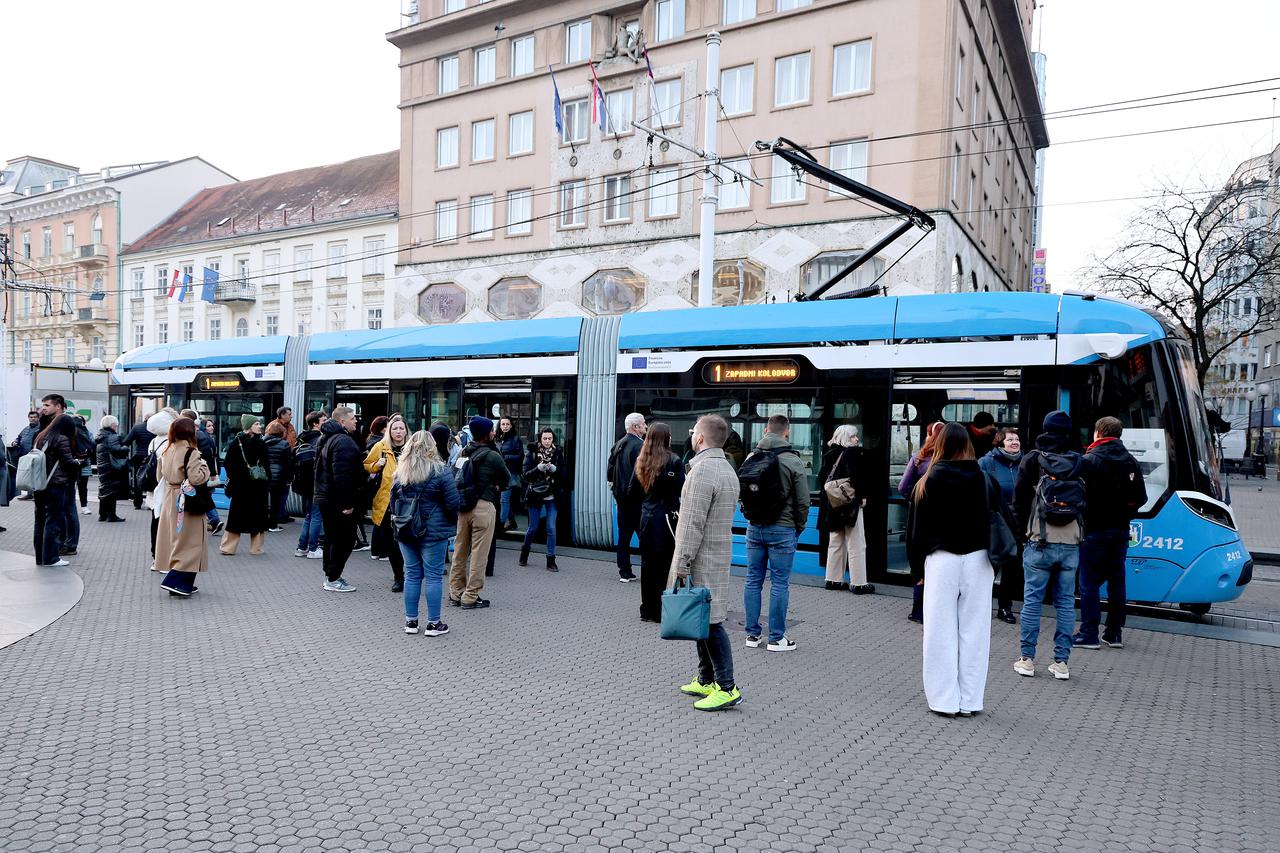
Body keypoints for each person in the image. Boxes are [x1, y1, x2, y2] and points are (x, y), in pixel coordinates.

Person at [906, 422, 998, 717]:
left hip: (941, 560)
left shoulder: (929, 480)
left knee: (939, 631)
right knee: (975, 632)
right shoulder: (984, 478)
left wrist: (918, 568)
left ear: (940, 444)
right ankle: (971, 700)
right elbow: (1001, 519)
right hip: (979, 560)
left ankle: (944, 700)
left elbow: (916, 531)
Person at [670, 415, 742, 711]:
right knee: (703, 618)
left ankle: (727, 687)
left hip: (701, 558)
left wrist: (681, 565)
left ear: (699, 438)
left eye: (692, 432)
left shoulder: (701, 472)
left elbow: (690, 526)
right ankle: (706, 679)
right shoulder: (726, 467)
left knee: (711, 623)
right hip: (718, 553)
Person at [1012, 410, 1085, 681]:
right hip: (1071, 542)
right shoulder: (1079, 461)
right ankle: (1061, 663)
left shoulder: (1033, 459)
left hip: (1038, 540)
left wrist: (1022, 534)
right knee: (1066, 603)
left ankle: (1027, 659)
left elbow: (1019, 501)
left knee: (1032, 599)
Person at [1074, 417, 1147, 651]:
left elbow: (1079, 495)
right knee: (1117, 580)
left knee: (1088, 582)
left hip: (1094, 528)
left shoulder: (1089, 460)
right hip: (1121, 529)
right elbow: (1141, 498)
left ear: (1098, 432)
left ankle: (1089, 633)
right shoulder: (1131, 461)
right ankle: (1114, 633)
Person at [740, 414, 807, 652]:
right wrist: (798, 527)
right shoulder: (792, 460)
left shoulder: (751, 457)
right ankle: (777, 638)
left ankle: (752, 635)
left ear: (766, 430)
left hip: (754, 527)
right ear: (786, 432)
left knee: (753, 580)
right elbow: (802, 502)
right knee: (779, 583)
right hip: (783, 528)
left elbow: (744, 493)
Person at [391, 430, 461, 636]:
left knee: (411, 575)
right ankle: (433, 624)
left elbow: (392, 504)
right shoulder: (441, 471)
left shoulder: (400, 471)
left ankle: (411, 622)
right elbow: (453, 503)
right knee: (433, 577)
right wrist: (448, 522)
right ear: (432, 447)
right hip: (433, 532)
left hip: (406, 529)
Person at [448, 416, 509, 609]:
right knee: (479, 555)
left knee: (460, 551)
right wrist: (496, 485)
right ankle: (470, 597)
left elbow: (453, 477)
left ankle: (456, 592)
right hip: (484, 507)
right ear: (486, 434)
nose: (494, 433)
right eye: (491, 430)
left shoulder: (463, 453)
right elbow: (507, 479)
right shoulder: (493, 456)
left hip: (463, 507)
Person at [628, 422, 684, 622]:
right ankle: (662, 611)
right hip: (667, 519)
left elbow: (631, 492)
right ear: (667, 438)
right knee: (665, 564)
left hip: (647, 518)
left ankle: (647, 609)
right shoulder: (674, 460)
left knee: (647, 563)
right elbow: (680, 490)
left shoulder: (641, 460)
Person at [154, 417, 212, 597]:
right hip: (186, 500)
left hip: (170, 498)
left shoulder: (166, 449)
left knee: (176, 539)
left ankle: (184, 583)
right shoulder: (191, 452)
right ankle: (174, 580)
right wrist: (205, 468)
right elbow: (196, 478)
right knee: (191, 541)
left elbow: (159, 477)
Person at [900, 420, 946, 623]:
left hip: (920, 517)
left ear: (929, 436)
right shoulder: (950, 459)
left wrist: (917, 499)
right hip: (943, 519)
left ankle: (918, 611)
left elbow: (903, 487)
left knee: (919, 564)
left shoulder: (919, 459)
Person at [818, 425, 873, 594]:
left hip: (832, 505)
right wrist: (862, 497)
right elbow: (857, 478)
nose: (857, 439)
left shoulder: (829, 454)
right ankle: (858, 582)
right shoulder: (852, 453)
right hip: (849, 505)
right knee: (856, 542)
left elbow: (822, 478)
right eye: (854, 437)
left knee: (836, 542)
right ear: (846, 438)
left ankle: (833, 580)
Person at [315, 406, 362, 591]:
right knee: (346, 539)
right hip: (338, 501)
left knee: (332, 538)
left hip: (326, 497)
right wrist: (347, 503)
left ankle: (330, 575)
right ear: (342, 421)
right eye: (352, 418)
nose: (356, 421)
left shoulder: (325, 438)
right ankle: (333, 578)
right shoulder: (344, 442)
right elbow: (342, 476)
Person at [979, 427, 1023, 624]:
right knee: (990, 566)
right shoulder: (986, 463)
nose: (1015, 442)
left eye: (1016, 439)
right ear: (999, 443)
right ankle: (979, 605)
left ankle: (1005, 607)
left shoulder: (1025, 462)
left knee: (1013, 568)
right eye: (1010, 439)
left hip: (1018, 524)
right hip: (995, 524)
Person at [365, 413, 409, 592]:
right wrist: (377, 465)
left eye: (401, 428)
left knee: (408, 541)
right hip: (386, 503)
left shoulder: (412, 448)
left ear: (406, 431)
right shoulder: (381, 446)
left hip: (408, 502)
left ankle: (411, 574)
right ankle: (399, 577)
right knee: (392, 544)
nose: (398, 431)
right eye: (395, 428)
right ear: (389, 431)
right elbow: (366, 465)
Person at [32, 414, 80, 567]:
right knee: (53, 520)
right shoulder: (61, 439)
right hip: (55, 484)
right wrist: (78, 462)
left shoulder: (40, 436)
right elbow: (67, 461)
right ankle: (51, 558)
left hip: (39, 484)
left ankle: (40, 557)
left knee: (39, 520)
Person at [219, 415, 270, 556]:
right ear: (249, 426)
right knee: (255, 518)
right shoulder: (259, 443)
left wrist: (237, 477)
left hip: (244, 487)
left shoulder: (238, 442)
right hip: (253, 486)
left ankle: (228, 547)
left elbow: (228, 463)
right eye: (256, 424)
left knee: (237, 518)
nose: (260, 426)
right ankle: (256, 548)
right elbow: (266, 465)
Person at [519, 428, 564, 572]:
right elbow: (525, 475)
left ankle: (551, 561)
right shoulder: (531, 452)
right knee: (533, 528)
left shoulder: (558, 453)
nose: (547, 441)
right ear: (540, 439)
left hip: (552, 495)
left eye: (550, 438)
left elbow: (565, 475)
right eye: (545, 438)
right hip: (535, 495)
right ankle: (524, 554)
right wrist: (538, 468)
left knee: (551, 528)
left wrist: (555, 470)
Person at [608, 412, 646, 582]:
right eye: (643, 424)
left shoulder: (618, 445)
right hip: (637, 501)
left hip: (621, 500)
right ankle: (649, 570)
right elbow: (642, 475)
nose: (646, 427)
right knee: (646, 538)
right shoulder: (640, 446)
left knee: (623, 537)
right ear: (635, 427)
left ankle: (624, 571)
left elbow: (610, 473)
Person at [144, 409, 178, 569]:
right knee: (167, 524)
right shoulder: (171, 441)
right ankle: (165, 557)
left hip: (153, 488)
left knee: (155, 521)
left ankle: (154, 556)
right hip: (166, 487)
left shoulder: (153, 441)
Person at [183, 409, 225, 534]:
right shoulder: (204, 436)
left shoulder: (198, 436)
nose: (211, 428)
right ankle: (212, 520)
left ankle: (213, 520)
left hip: (199, 472)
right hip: (203, 472)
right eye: (209, 425)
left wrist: (211, 473)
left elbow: (208, 457)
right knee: (205, 496)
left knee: (203, 496)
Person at [293, 410, 326, 559]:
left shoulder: (301, 438)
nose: (326, 423)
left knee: (309, 516)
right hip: (316, 484)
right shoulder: (320, 439)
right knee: (316, 516)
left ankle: (301, 547)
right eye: (323, 421)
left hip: (303, 484)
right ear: (315, 423)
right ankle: (313, 548)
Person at [94, 415, 129, 522]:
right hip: (111, 467)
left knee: (104, 488)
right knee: (111, 491)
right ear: (113, 425)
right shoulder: (112, 436)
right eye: (116, 425)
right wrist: (125, 448)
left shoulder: (100, 435)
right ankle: (111, 515)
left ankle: (102, 514)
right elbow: (116, 449)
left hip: (102, 466)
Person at [263, 421, 294, 533]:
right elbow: (288, 463)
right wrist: (289, 478)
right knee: (276, 502)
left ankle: (263, 523)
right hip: (279, 477)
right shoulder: (284, 444)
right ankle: (273, 524)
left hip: (264, 476)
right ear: (282, 432)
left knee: (264, 501)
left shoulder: (262, 442)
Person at [496, 416, 523, 531]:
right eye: (503, 424)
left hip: (510, 473)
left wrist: (505, 457)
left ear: (511, 426)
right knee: (503, 499)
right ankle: (512, 522)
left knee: (504, 499)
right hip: (499, 473)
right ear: (500, 426)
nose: (505, 426)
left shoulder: (516, 439)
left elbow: (520, 456)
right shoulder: (497, 438)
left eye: (507, 424)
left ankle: (501, 524)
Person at [125, 412, 155, 509]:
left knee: (138, 478)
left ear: (144, 419)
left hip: (139, 457)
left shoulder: (137, 428)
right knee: (152, 480)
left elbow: (127, 441)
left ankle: (137, 503)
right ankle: (151, 503)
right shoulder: (155, 429)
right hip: (152, 457)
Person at [10, 411, 40, 500]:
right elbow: (18, 438)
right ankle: (29, 493)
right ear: (28, 418)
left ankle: (36, 494)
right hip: (24, 455)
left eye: (35, 417)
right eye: (31, 417)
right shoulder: (26, 429)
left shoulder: (41, 429)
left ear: (38, 418)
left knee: (35, 475)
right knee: (27, 474)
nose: (33, 419)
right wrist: (14, 442)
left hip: (35, 455)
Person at [73, 415, 94, 517]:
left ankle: (83, 505)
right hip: (82, 462)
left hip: (81, 462)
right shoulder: (86, 432)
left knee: (82, 486)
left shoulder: (87, 432)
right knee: (77, 486)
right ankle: (80, 506)